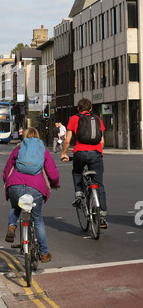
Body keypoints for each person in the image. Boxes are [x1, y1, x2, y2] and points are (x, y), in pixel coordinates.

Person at [3, 127, 60, 262]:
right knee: (38, 219)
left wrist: (7, 181)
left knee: (16, 208)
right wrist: (54, 183)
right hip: (36, 188)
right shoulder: (43, 150)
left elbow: (7, 169)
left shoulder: (18, 148)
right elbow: (52, 172)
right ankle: (44, 253)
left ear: (25, 136)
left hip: (15, 185)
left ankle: (12, 226)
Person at [61, 98, 108, 228]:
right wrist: (97, 152)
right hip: (96, 154)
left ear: (78, 109)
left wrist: (64, 153)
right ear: (91, 108)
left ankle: (79, 194)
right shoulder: (97, 119)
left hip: (80, 153)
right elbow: (102, 141)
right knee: (99, 184)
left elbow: (67, 140)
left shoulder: (74, 119)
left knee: (77, 171)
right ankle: (102, 215)